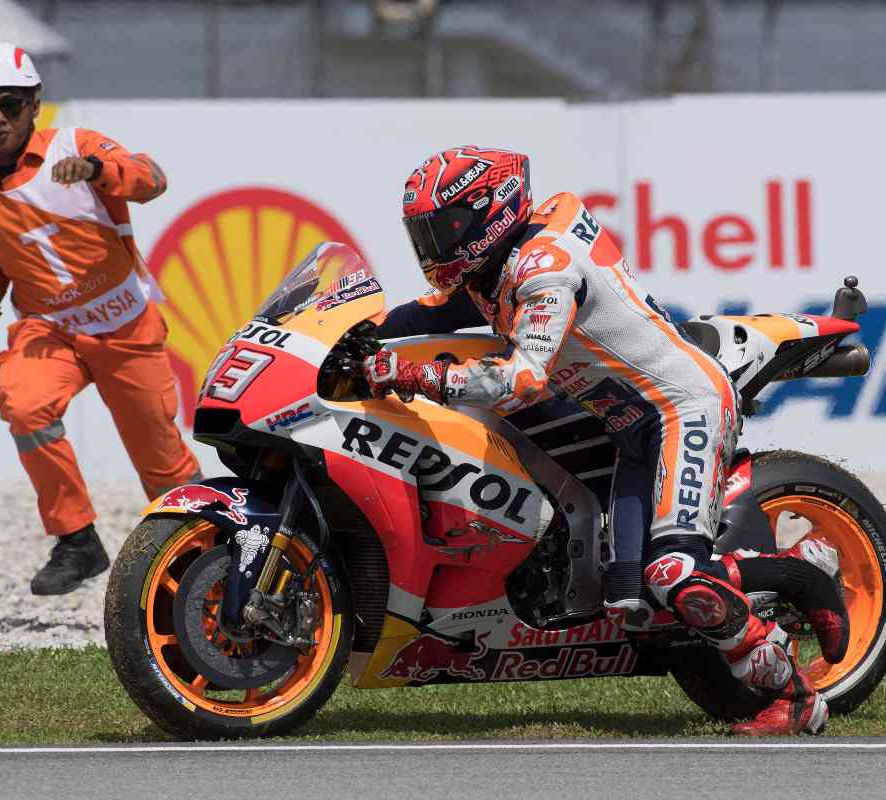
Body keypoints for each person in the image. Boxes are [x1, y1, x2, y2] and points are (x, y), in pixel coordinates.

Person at [364, 146, 850, 735]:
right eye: (426, 235)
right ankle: (797, 573)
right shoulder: (489, 270)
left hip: (682, 410)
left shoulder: (544, 268)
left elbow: (522, 379)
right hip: (632, 430)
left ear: (489, 210)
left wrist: (418, 376)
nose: (435, 247)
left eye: (446, 229)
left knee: (672, 574)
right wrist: (342, 337)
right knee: (632, 604)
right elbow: (420, 315)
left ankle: (797, 698)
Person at [0, 42, 201, 596]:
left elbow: (153, 179)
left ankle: (209, 552)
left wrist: (96, 169)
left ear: (35, 102)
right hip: (50, 331)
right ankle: (77, 539)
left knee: (163, 466)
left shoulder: (78, 146)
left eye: (9, 104)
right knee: (21, 402)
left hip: (125, 327)